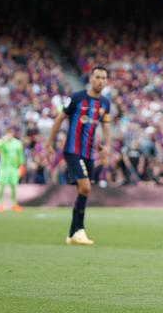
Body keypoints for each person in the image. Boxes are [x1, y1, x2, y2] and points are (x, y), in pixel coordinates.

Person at [45, 66, 111, 245]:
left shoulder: (105, 103)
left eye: (104, 78)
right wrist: (49, 142)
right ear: (90, 78)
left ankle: (73, 233)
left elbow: (105, 124)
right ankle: (79, 231)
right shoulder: (77, 98)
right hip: (73, 151)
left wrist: (107, 145)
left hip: (89, 153)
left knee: (83, 191)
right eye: (97, 77)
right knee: (86, 188)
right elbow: (59, 118)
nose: (100, 81)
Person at [0, 129, 25, 212]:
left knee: (14, 187)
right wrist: (3, 140)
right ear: (5, 134)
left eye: (10, 133)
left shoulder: (17, 143)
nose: (9, 135)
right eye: (7, 133)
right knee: (1, 186)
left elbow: (20, 155)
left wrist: (22, 165)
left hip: (14, 168)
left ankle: (14, 204)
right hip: (4, 168)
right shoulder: (2, 142)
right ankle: (0, 204)